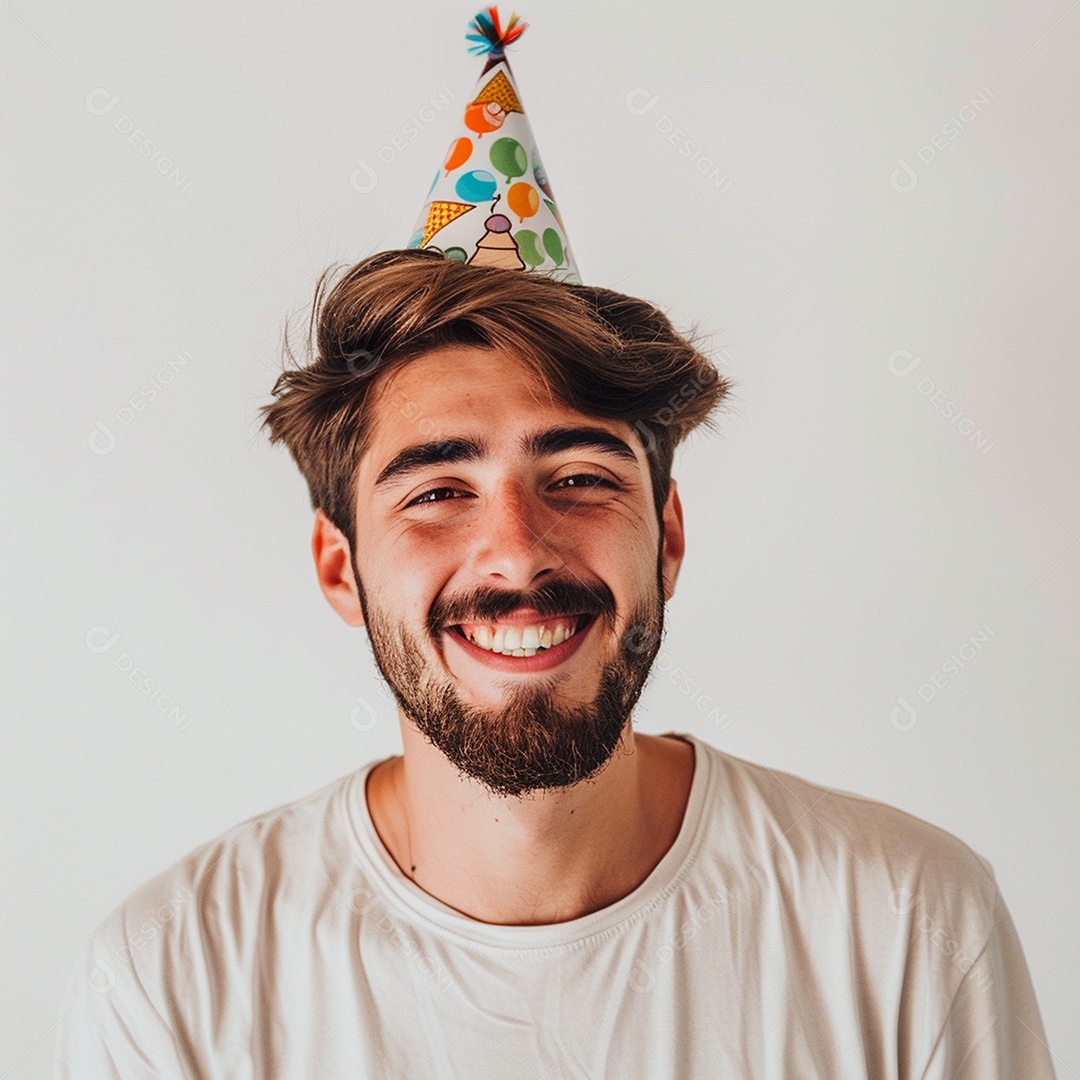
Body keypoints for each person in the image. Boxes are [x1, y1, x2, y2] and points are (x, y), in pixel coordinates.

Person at [55, 248, 1057, 1077]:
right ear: (341, 567)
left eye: (578, 478)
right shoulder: (175, 982)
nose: (519, 552)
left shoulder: (907, 923)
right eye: (439, 492)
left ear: (665, 538)